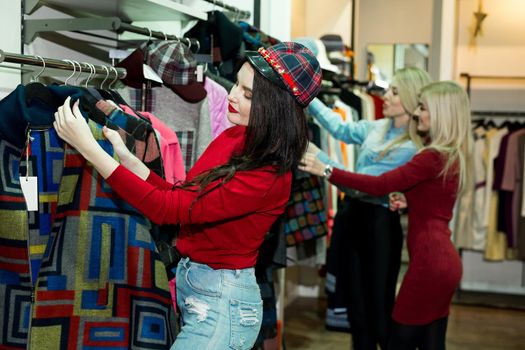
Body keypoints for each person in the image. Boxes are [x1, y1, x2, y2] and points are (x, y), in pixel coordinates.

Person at [52, 42, 322, 350]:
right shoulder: (235, 136)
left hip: (223, 305)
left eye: (248, 95)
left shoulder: (268, 174)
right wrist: (129, 160)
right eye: (236, 84)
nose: (231, 96)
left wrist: (89, 150)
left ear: (276, 108)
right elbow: (183, 196)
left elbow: (171, 210)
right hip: (198, 289)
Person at [299, 81, 473, 350]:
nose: (417, 114)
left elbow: (379, 184)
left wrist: (327, 169)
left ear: (441, 114)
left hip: (429, 262)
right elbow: (436, 199)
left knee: (395, 342)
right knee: (431, 343)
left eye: (423, 108)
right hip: (443, 262)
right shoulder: (451, 155)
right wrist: (408, 200)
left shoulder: (429, 156)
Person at [306, 67, 431, 349]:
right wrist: (306, 97)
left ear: (411, 100)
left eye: (394, 92)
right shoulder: (377, 127)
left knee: (378, 307)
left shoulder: (411, 147)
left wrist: (321, 160)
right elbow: (338, 127)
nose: (385, 96)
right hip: (352, 218)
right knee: (356, 306)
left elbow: (367, 185)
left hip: (379, 225)